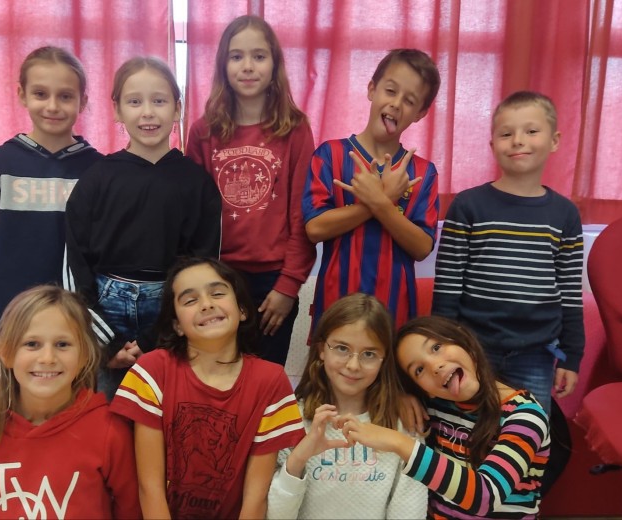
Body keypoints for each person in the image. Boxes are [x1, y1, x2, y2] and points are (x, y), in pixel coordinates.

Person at [64, 56, 222, 398]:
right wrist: (106, 342)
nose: (148, 112)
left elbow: (204, 268)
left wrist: (159, 335)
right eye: (135, 102)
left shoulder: (197, 183)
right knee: (105, 414)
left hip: (171, 311)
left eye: (159, 101)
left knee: (167, 409)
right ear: (117, 110)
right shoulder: (96, 178)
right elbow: (75, 264)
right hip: (104, 312)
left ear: (177, 109)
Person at [109, 257, 305, 519]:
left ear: (242, 309)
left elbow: (255, 498)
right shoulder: (152, 370)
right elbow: (150, 488)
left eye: (218, 293)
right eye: (190, 300)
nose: (207, 304)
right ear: (177, 325)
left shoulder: (271, 381)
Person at [430, 90, 584, 413]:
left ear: (554, 141)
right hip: (471, 348)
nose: (518, 141)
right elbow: (448, 285)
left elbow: (570, 292)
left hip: (536, 353)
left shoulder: (565, 214)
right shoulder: (468, 205)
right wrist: (443, 346)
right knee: (462, 427)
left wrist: (572, 356)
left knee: (527, 432)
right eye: (506, 134)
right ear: (492, 145)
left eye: (531, 131)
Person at [186, 15, 316, 367]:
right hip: (218, 276)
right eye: (236, 56)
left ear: (274, 65)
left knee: (265, 383)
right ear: (223, 65)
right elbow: (194, 217)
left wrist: (289, 285)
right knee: (216, 377)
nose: (247, 66)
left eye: (259, 56)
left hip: (273, 282)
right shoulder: (203, 132)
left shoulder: (295, 130)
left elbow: (302, 214)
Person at [0, 46, 102, 378]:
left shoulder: (99, 170)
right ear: (22, 95)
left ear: (83, 101)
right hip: (14, 328)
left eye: (65, 96)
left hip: (76, 326)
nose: (53, 106)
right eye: (41, 94)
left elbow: (103, 259)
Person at [0, 286, 140, 519]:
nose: (48, 358)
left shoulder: (110, 431)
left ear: (84, 355)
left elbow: (130, 510)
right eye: (32, 344)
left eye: (62, 344)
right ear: (6, 353)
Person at [337, 315, 550, 518]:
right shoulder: (435, 405)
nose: (435, 366)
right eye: (419, 370)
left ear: (463, 341)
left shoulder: (526, 416)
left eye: (436, 347)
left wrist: (399, 443)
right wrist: (400, 395)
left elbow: (486, 496)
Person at [302, 48, 441, 332]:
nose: (396, 104)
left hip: (394, 315)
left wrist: (381, 204)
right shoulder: (330, 155)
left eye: (409, 101)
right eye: (390, 91)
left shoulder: (423, 173)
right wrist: (382, 200)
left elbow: (422, 247)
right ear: (371, 89)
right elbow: (315, 228)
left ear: (420, 113)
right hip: (335, 307)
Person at [266, 293, 427, 519]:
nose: (353, 365)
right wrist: (298, 458)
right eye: (342, 348)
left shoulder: (404, 425)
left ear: (384, 360)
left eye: (369, 354)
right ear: (322, 349)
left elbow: (410, 512)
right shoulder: (291, 418)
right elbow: (275, 515)